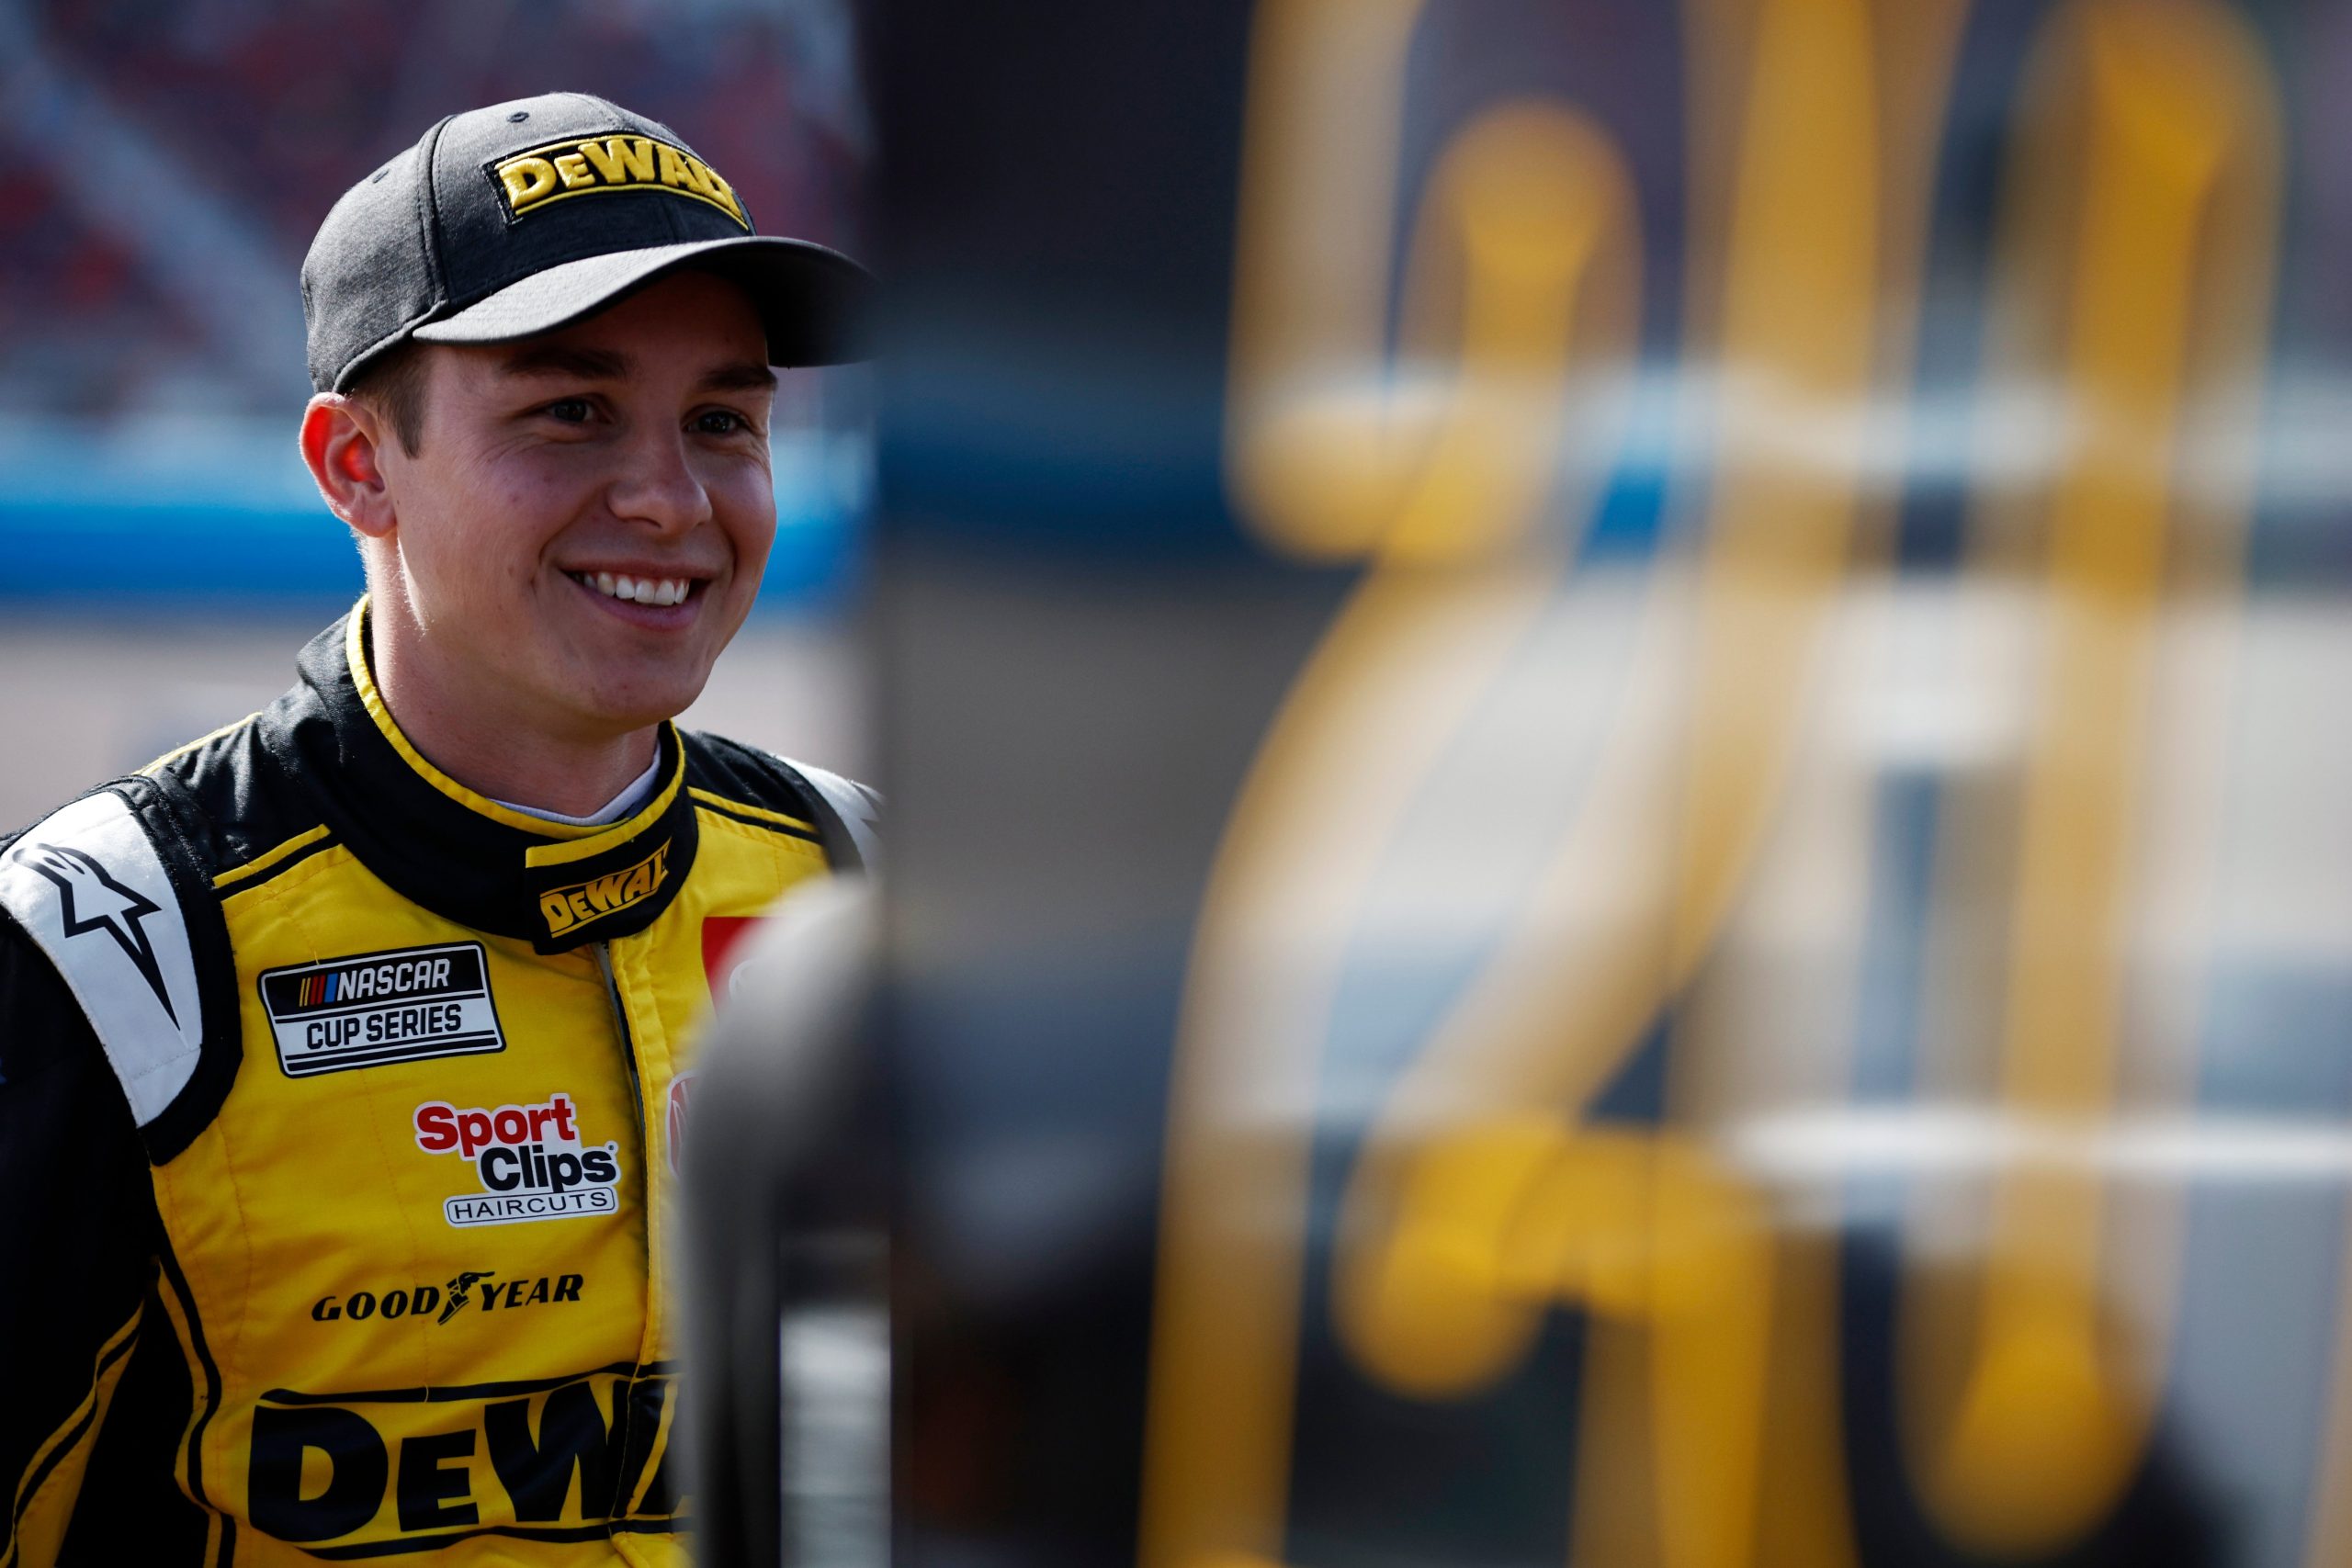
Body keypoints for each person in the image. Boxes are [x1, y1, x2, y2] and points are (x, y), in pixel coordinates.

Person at [0, 92, 876, 1565]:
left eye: (722, 420)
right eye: (571, 411)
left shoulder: (855, 889)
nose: (671, 499)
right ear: (356, 465)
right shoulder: (114, 950)